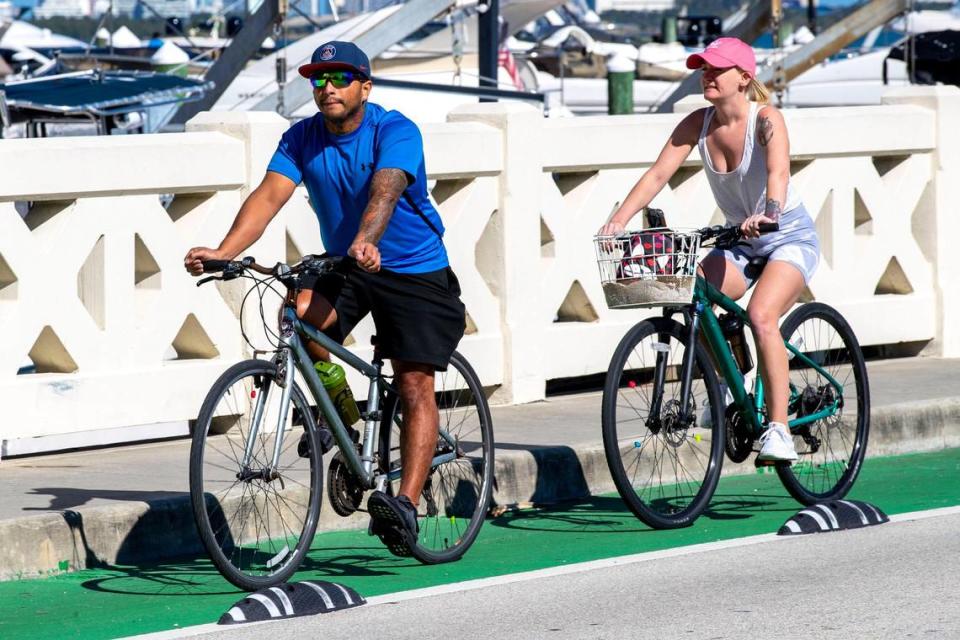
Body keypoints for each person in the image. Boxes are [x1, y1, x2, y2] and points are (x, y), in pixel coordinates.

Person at [184, 41, 466, 555]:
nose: (328, 88)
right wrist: (225, 252)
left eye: (339, 78)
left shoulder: (394, 129)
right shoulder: (301, 137)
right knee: (298, 317)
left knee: (413, 381)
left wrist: (368, 239)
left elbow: (386, 188)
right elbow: (269, 196)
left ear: (365, 85)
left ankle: (403, 502)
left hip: (412, 268)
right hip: (348, 263)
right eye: (318, 80)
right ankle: (345, 430)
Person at [598, 37, 820, 464]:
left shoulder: (766, 120)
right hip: (741, 240)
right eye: (703, 68)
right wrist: (619, 220)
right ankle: (725, 383)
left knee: (761, 315)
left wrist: (769, 213)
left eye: (717, 69)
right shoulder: (696, 124)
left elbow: (778, 172)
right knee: (690, 289)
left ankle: (778, 429)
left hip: (788, 237)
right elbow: (657, 175)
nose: (707, 75)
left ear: (744, 77)